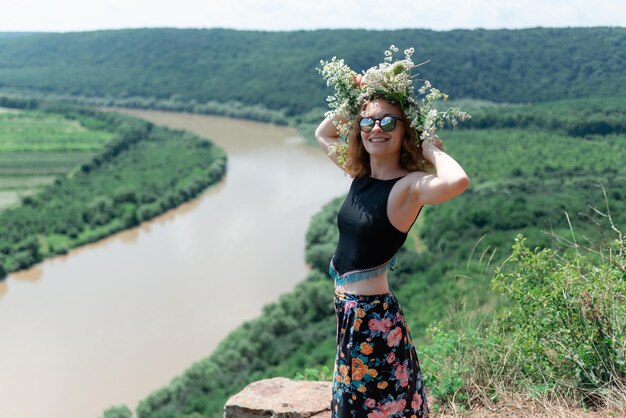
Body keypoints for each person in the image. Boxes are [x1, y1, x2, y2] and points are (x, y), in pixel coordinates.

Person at [315, 71, 469, 417]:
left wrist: (429, 148)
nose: (376, 128)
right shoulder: (360, 174)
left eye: (388, 121)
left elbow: (457, 181)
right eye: (367, 122)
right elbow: (322, 133)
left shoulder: (409, 187)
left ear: (405, 131)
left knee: (379, 408)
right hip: (350, 316)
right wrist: (358, 94)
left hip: (373, 321)